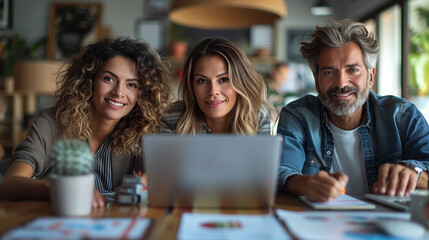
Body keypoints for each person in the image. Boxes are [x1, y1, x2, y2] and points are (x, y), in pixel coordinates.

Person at [0, 38, 172, 206]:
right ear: (89, 81)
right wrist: (64, 188)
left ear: (142, 93)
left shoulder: (143, 129)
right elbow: (9, 185)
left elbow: (165, 172)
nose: (119, 92)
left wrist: (145, 183)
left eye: (132, 85)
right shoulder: (50, 122)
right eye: (109, 79)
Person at [277, 19, 429, 202]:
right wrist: (305, 184)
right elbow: (282, 170)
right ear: (317, 81)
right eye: (329, 72)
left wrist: (415, 175)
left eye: (353, 70)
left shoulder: (403, 115)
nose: (341, 83)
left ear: (370, 77)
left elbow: (425, 166)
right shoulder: (298, 115)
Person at [162, 37, 273, 135]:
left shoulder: (258, 118)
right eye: (202, 81)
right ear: (192, 85)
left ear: (241, 82)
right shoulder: (173, 118)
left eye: (223, 79)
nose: (213, 91)